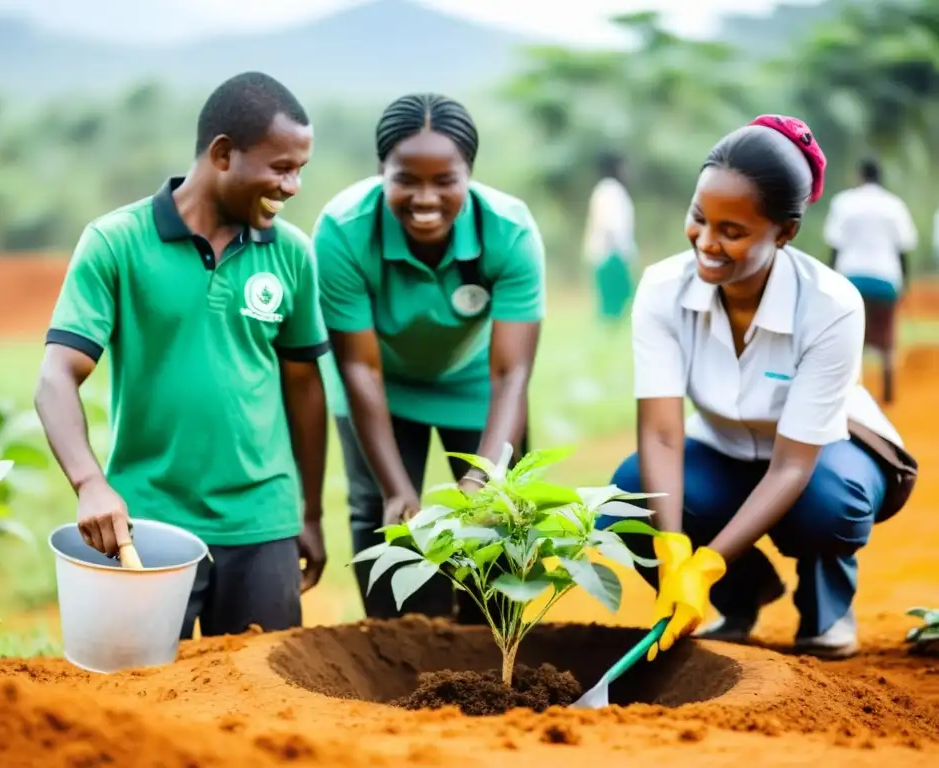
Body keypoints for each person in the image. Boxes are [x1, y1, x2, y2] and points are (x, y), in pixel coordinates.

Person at [34, 72, 330, 639]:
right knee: (140, 697)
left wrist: (308, 514)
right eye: (280, 167)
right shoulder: (115, 242)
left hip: (262, 524)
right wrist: (90, 483)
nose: (293, 186)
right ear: (223, 154)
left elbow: (304, 388)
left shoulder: (293, 253)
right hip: (147, 522)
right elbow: (55, 378)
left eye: (300, 170)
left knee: (263, 706)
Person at [606, 115, 910, 661]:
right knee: (630, 498)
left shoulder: (831, 305)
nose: (707, 242)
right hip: (723, 449)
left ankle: (826, 606)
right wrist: (675, 553)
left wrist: (708, 559)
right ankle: (736, 599)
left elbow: (794, 465)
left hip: (821, 456)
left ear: (786, 232)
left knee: (830, 505)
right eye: (700, 218)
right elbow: (661, 435)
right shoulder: (661, 288)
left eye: (733, 231)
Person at [312, 93, 545, 622]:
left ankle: (494, 660)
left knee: (502, 520)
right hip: (380, 387)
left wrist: (481, 482)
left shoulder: (508, 232)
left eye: (445, 180)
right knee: (383, 517)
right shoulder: (344, 230)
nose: (425, 198)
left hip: (476, 384)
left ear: (470, 174)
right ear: (380, 171)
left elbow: (512, 374)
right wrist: (397, 490)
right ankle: (408, 659)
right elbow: (358, 367)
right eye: (405, 179)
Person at [823, 157, 918, 403]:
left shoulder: (843, 203)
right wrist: (904, 283)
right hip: (886, 279)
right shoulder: (894, 205)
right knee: (886, 338)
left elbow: (834, 246)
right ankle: (888, 391)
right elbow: (903, 249)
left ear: (859, 175)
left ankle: (854, 392)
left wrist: (830, 281)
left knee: (852, 336)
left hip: (850, 278)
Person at [581, 152, 636, 323]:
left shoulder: (604, 190)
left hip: (606, 253)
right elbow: (611, 225)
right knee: (616, 298)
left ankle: (610, 331)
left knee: (614, 298)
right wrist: (623, 251)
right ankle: (610, 331)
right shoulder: (611, 191)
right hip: (611, 253)